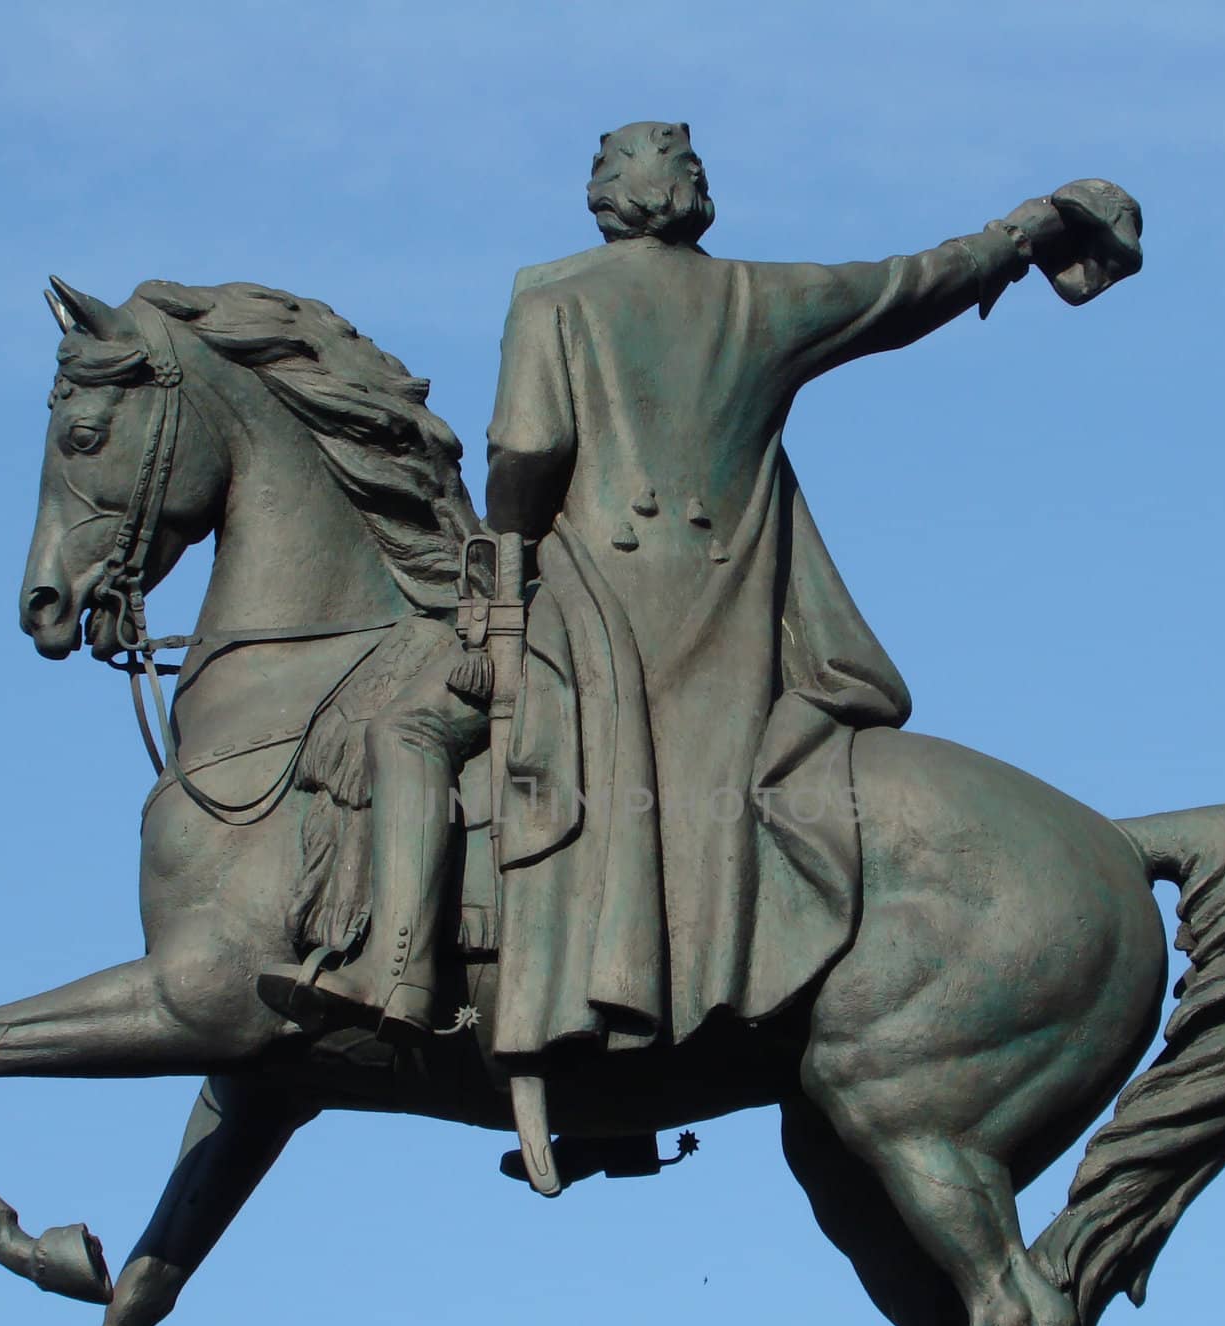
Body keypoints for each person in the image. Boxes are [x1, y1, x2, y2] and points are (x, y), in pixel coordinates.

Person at [264, 121, 1137, 1052]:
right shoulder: (762, 299)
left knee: (409, 728)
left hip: (587, 597)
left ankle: (393, 973)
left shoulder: (552, 295)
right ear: (696, 194)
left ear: (603, 198)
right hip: (729, 612)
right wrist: (1023, 232)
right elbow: (907, 285)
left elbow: (528, 447)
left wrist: (500, 566)